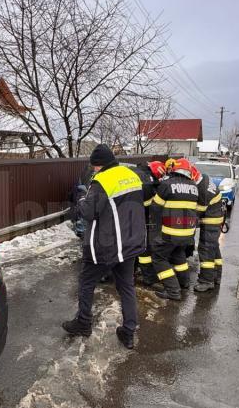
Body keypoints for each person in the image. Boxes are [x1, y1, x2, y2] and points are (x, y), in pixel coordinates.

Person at [62, 144, 146, 348]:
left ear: (99, 165)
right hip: (131, 241)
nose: (93, 170)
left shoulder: (102, 180)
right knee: (126, 286)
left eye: (94, 166)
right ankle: (128, 331)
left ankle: (83, 323)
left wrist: (80, 200)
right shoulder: (131, 175)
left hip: (106, 245)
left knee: (86, 281)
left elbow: (89, 212)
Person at [150, 157, 199, 300]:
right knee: (179, 256)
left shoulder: (167, 184)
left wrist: (157, 225)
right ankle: (184, 283)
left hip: (170, 232)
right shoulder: (194, 187)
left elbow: (155, 208)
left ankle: (173, 291)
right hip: (188, 233)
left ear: (175, 169)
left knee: (159, 258)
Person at [194, 165, 225, 292]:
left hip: (211, 219)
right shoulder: (204, 178)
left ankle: (207, 281)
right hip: (216, 216)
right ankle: (216, 276)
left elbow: (198, 211)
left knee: (206, 248)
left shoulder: (202, 190)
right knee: (213, 248)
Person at [135, 160, 165, 287]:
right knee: (144, 248)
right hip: (140, 217)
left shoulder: (137, 171)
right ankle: (148, 277)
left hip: (127, 216)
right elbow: (148, 204)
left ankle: (131, 270)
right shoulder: (148, 180)